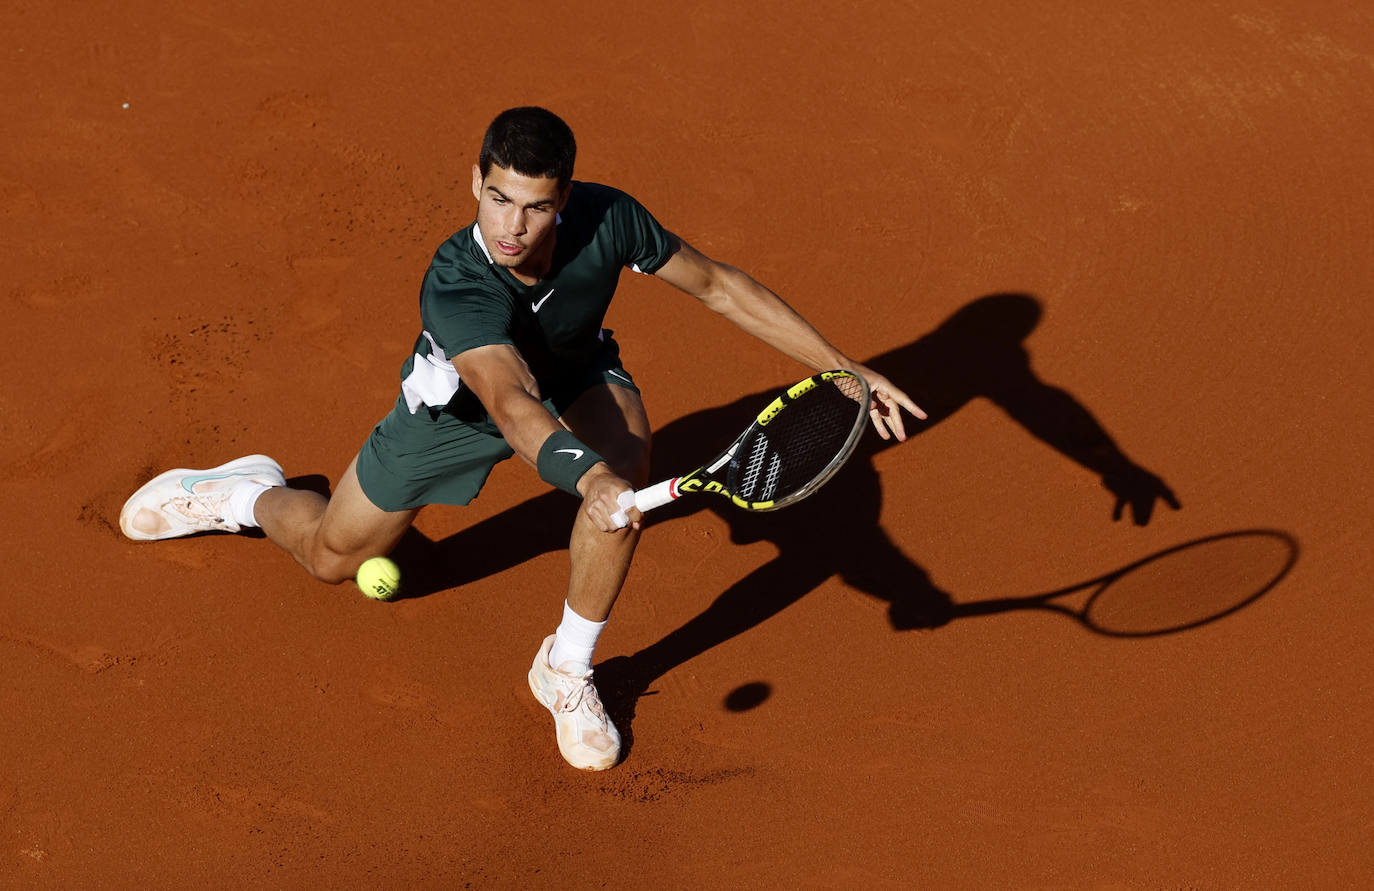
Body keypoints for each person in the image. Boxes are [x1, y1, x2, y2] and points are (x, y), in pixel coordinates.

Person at [120, 107, 924, 771]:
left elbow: (717, 284)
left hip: (576, 368)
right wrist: (585, 476)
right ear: (476, 182)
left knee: (627, 478)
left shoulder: (611, 218)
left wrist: (843, 366)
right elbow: (508, 403)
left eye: (537, 206)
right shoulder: (457, 281)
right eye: (499, 199)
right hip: (460, 409)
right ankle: (242, 492)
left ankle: (565, 667)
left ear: (565, 198)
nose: (513, 225)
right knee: (334, 557)